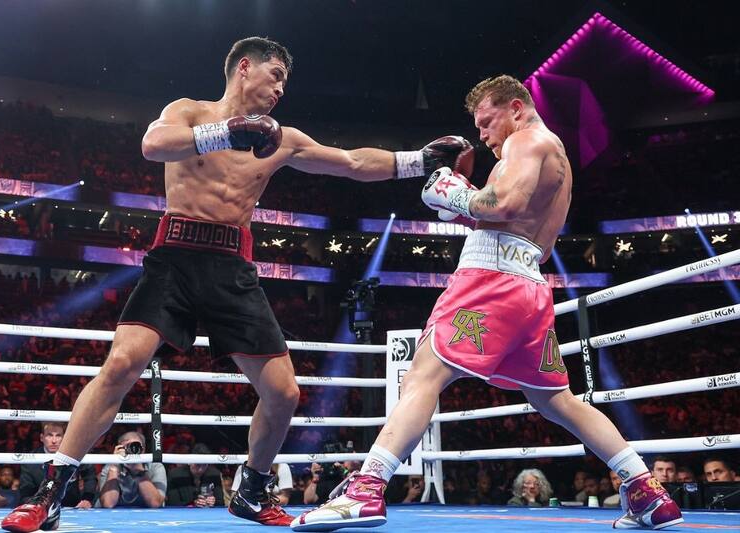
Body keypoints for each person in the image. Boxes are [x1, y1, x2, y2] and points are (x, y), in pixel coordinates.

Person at [1, 36, 471, 532]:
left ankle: (251, 490)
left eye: (285, 82)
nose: (281, 89)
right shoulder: (189, 111)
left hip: (231, 267)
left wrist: (418, 160)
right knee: (121, 364)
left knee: (283, 393)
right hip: (175, 257)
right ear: (245, 67)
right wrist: (226, 132)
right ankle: (50, 492)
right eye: (276, 75)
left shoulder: (283, 138)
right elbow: (152, 145)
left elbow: (351, 162)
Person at [291, 75, 683, 531]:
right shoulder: (553, 154)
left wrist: (453, 191)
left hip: (490, 280)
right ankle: (646, 491)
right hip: (528, 285)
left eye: (486, 122)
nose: (482, 135)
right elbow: (513, 224)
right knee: (556, 399)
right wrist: (462, 206)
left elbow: (505, 204)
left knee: (423, 375)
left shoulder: (526, 141)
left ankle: (367, 489)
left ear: (516, 108)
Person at [16, 423, 97, 509]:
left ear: (64, 438)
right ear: (42, 438)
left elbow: (90, 477)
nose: (54, 441)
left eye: (58, 436)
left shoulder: (75, 454)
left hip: (72, 506)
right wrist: (36, 505)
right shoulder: (30, 461)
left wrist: (87, 499)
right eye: (49, 435)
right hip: (41, 508)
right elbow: (25, 493)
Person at [97, 431, 166, 509]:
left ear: (143, 449)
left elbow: (155, 503)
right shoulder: (111, 467)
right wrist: (114, 466)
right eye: (127, 446)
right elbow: (108, 504)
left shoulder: (155, 467)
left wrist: (139, 472)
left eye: (136, 446)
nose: (133, 449)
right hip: (115, 515)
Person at [166, 443, 225, 507]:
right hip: (183, 512)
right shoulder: (175, 475)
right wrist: (193, 504)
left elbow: (221, 503)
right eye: (198, 465)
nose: (201, 469)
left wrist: (214, 501)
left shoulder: (214, 474)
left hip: (209, 512)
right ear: (189, 462)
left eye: (204, 465)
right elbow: (172, 503)